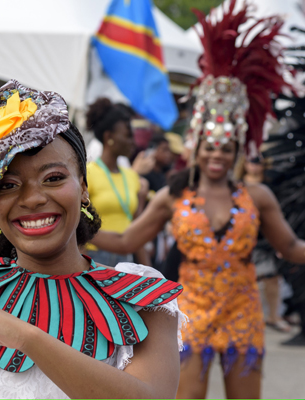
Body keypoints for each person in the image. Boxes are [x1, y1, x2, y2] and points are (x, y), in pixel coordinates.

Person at [0, 80, 186, 399]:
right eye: (7, 185)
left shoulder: (140, 298)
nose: (32, 199)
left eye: (53, 178)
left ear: (84, 188)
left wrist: (24, 336)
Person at [89, 2, 305, 397]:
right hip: (191, 314)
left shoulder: (258, 196)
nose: (217, 155)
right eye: (210, 146)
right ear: (197, 146)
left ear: (237, 148)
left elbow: (289, 246)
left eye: (225, 148)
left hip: (243, 314)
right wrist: (75, 228)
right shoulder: (174, 195)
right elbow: (126, 241)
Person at [84, 98, 150, 266]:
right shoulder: (88, 173)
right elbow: (76, 227)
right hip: (94, 258)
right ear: (109, 137)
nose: (132, 142)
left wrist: (150, 273)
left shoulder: (131, 176)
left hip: (126, 261)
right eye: (128, 135)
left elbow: (137, 227)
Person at [243, 155, 292, 333]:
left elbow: (291, 245)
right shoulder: (234, 186)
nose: (255, 166)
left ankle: (273, 316)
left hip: (267, 240)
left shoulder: (270, 187)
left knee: (271, 277)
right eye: (251, 161)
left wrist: (282, 242)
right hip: (241, 241)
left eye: (258, 162)